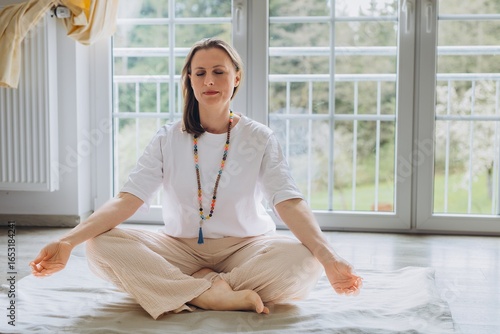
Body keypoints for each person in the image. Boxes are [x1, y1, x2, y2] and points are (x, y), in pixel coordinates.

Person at [30, 38, 362, 320]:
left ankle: (188, 288)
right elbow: (127, 200)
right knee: (99, 244)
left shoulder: (259, 137)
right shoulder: (167, 137)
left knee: (305, 259)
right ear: (189, 79)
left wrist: (328, 256)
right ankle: (212, 293)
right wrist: (67, 241)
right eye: (200, 73)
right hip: (179, 248)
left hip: (247, 247)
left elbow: (289, 201)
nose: (209, 82)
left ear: (236, 77)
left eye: (219, 72)